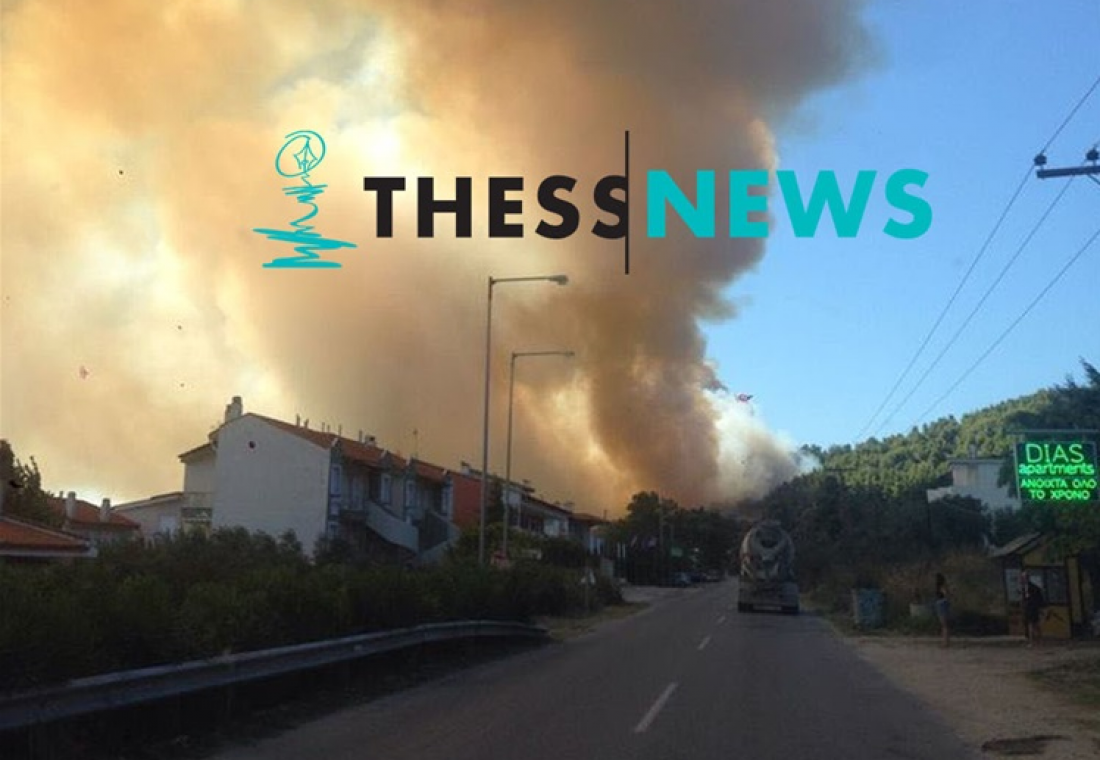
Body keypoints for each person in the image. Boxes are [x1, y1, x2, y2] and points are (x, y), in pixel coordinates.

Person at [1023, 572, 1045, 648]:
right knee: (1035, 625)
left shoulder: (1032, 587)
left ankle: (1033, 642)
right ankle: (1038, 641)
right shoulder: (1025, 587)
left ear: (1026, 578)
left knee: (1032, 625)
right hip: (1030, 608)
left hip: (1032, 608)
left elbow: (1037, 598)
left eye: (1023, 577)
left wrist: (1040, 608)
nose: (1022, 579)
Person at [934, 572, 950, 648]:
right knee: (943, 625)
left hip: (941, 603)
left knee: (944, 625)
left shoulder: (941, 587)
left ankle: (945, 642)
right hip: (941, 603)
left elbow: (946, 594)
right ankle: (945, 642)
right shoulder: (941, 586)